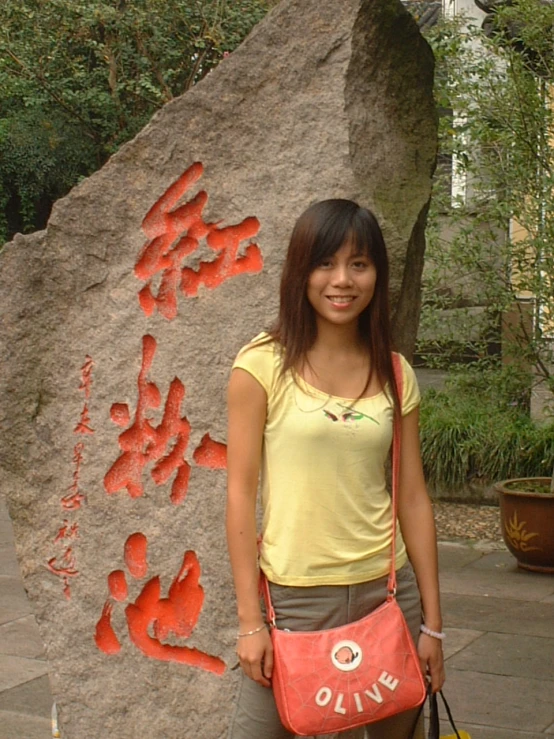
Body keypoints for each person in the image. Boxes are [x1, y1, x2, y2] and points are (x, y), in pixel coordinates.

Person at [226, 199, 445, 739]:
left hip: (388, 592)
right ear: (300, 271)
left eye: (359, 264)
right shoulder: (261, 365)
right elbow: (238, 494)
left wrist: (434, 626)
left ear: (377, 275)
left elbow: (413, 498)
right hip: (294, 600)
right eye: (325, 263)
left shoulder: (395, 372)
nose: (341, 280)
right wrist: (250, 622)